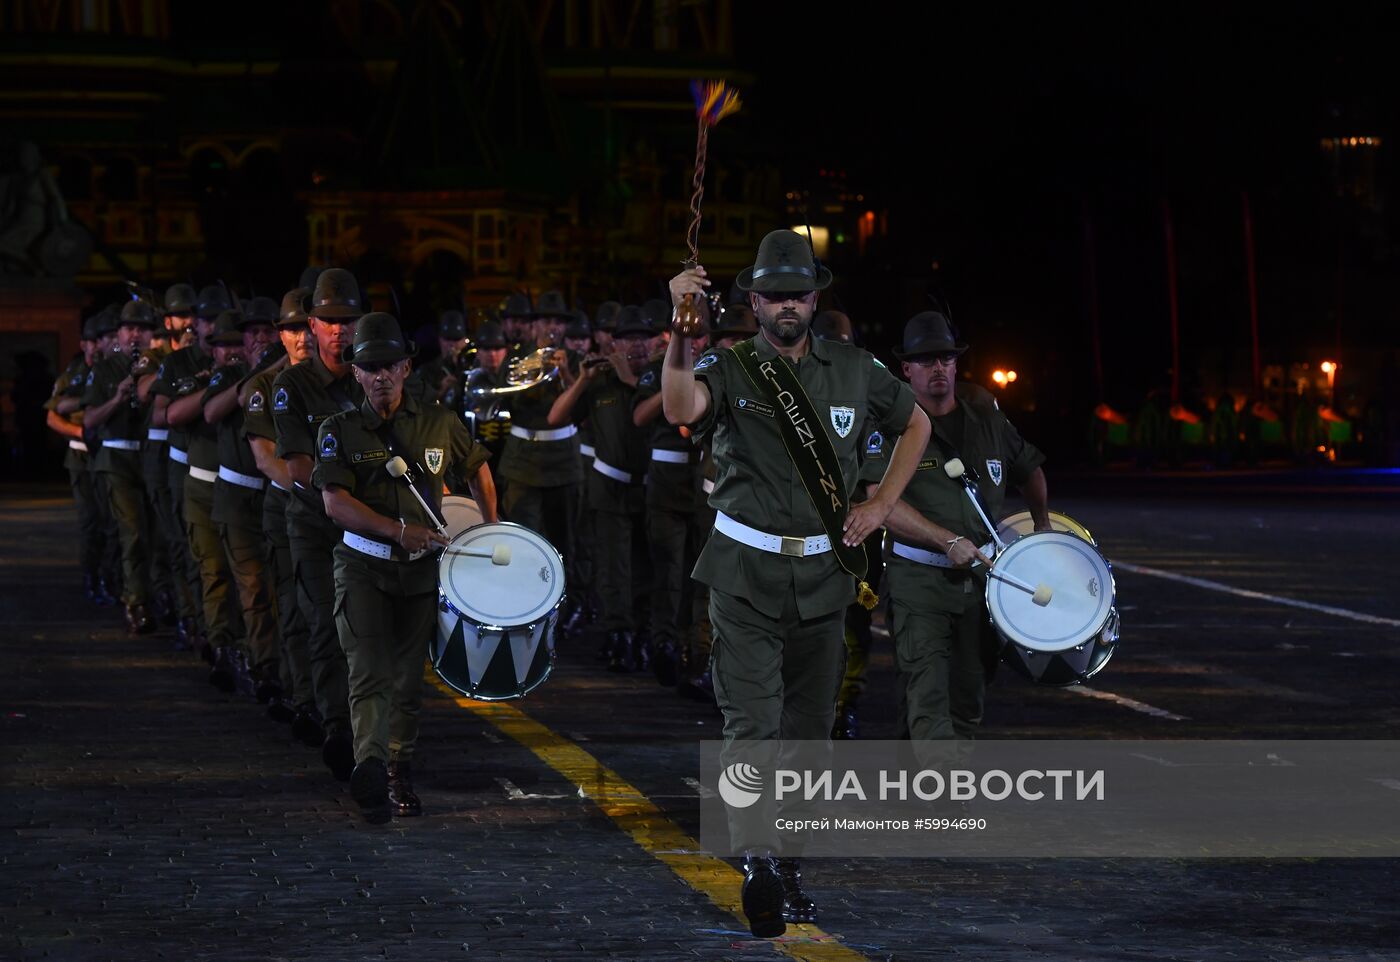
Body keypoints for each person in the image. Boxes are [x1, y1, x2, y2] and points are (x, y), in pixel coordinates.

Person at [662, 229, 930, 938]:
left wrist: (879, 506)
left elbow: (918, 424)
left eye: (799, 294)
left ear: (816, 299)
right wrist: (682, 335)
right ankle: (756, 860)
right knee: (750, 726)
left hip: (823, 576)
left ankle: (789, 863)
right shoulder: (729, 364)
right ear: (753, 300)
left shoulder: (855, 370)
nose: (787, 305)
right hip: (743, 572)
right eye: (774, 294)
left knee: (809, 737)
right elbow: (680, 409)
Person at [313, 312, 497, 824]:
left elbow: (478, 464)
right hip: (363, 567)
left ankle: (398, 768)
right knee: (369, 670)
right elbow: (335, 504)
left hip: (420, 573)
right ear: (355, 371)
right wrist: (396, 530)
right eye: (370, 366)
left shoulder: (438, 420)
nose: (381, 376)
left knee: (408, 682)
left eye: (390, 364)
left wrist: (490, 526)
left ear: (407, 366)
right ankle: (370, 769)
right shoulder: (340, 430)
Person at [870, 311, 1048, 764]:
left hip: (981, 582)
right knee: (926, 686)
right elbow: (879, 501)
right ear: (905, 368)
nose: (938, 369)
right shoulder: (889, 424)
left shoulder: (985, 413)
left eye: (946, 358)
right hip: (917, 580)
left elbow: (1029, 469)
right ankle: (945, 785)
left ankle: (921, 775)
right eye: (926, 360)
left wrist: (1043, 529)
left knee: (969, 691)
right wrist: (944, 539)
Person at [272, 268, 365, 782]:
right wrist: (348, 496)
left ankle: (369, 727)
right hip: (314, 522)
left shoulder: (371, 374)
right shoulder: (293, 385)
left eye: (348, 320)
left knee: (368, 630)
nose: (339, 330)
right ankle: (337, 727)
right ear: (312, 324)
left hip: (366, 525)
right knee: (326, 627)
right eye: (329, 320)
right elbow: (297, 467)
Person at [548, 305, 656, 672]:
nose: (636, 348)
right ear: (615, 343)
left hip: (650, 490)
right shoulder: (600, 381)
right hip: (608, 487)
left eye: (643, 340)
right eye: (628, 340)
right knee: (612, 569)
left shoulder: (659, 378)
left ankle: (642, 635)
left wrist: (632, 380)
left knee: (645, 568)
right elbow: (557, 417)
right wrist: (580, 380)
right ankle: (617, 635)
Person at [242, 287, 318, 735]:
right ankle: (303, 696)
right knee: (292, 605)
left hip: (336, 508)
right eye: (291, 329)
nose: (301, 337)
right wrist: (322, 492)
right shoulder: (265, 387)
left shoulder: (339, 379)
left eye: (306, 327)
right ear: (282, 336)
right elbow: (266, 458)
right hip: (292, 505)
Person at [203, 301, 283, 700]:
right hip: (237, 496)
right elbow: (213, 411)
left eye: (267, 331)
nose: (259, 340)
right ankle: (263, 665)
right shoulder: (233, 375)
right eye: (252, 333)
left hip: (277, 493)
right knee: (251, 585)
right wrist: (259, 375)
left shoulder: (291, 376)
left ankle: (276, 662)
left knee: (278, 585)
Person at [81, 298, 164, 633]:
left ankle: (157, 594)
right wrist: (117, 396)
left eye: (142, 329)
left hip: (149, 457)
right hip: (116, 458)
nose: (135, 335)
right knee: (132, 532)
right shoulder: (105, 368)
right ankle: (136, 601)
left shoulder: (160, 363)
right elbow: (89, 418)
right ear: (118, 333)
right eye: (130, 328)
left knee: (157, 534)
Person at [45, 313, 104, 601]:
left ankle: (110, 578)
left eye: (100, 340)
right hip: (82, 455)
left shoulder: (110, 370)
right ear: (83, 344)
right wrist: (80, 431)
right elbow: (52, 416)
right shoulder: (74, 373)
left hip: (111, 452)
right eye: (90, 341)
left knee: (112, 521)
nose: (95, 346)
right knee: (90, 521)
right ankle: (92, 576)